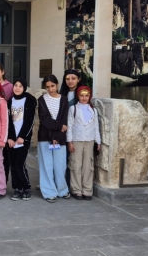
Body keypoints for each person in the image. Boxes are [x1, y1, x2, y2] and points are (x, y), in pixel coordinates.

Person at [37, 74, 69, 202]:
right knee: (46, 165)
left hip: (60, 138)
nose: (50, 89)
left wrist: (57, 136)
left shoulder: (64, 100)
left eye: (53, 86)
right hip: (45, 137)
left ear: (57, 85)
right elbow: (45, 120)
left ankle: (62, 190)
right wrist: (60, 126)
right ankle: (49, 192)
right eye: (48, 87)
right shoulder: (41, 100)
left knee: (60, 165)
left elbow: (64, 120)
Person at [67, 85, 101, 201]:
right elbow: (70, 126)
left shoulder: (93, 110)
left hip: (89, 140)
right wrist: (70, 141)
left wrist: (98, 141)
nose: (84, 98)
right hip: (77, 139)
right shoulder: (73, 109)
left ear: (89, 96)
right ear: (78, 96)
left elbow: (96, 127)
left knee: (88, 165)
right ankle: (76, 189)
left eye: (86, 96)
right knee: (76, 164)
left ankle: (87, 190)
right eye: (82, 95)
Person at [6, 78, 36, 201]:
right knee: (13, 165)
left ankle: (26, 187)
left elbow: (30, 121)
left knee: (20, 164)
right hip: (11, 140)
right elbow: (8, 122)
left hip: (23, 140)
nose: (17, 88)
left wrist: (22, 137)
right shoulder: (9, 101)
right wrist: (10, 138)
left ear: (24, 88)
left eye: (20, 86)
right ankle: (17, 188)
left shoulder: (29, 101)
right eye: (15, 85)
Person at [59, 69, 81, 192]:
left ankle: (71, 186)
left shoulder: (82, 95)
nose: (70, 81)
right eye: (67, 79)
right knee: (61, 158)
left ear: (78, 79)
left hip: (76, 132)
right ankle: (61, 184)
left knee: (73, 160)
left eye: (73, 78)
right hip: (62, 130)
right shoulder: (62, 94)